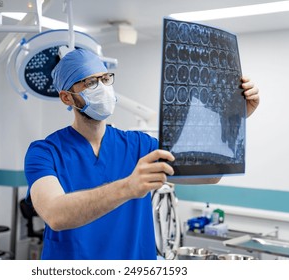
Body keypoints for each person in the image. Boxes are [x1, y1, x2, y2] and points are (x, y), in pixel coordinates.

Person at [24, 48, 260, 260]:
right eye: (89, 82)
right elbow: (55, 214)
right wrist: (128, 187)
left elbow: (210, 175)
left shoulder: (140, 145)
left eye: (105, 79)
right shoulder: (45, 152)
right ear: (67, 97)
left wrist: (234, 119)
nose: (103, 88)